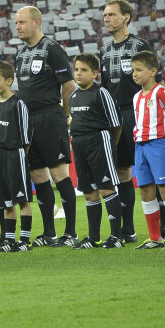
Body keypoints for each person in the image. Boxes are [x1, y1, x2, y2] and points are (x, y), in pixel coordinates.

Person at [14, 5, 78, 247]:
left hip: (50, 118)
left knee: (59, 174)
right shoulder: (20, 54)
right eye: (16, 23)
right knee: (38, 176)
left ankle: (70, 232)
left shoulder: (52, 49)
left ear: (36, 22)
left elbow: (68, 86)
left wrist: (64, 116)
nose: (17, 26)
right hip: (28, 122)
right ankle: (49, 233)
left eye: (21, 22)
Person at [100, 0, 153, 242]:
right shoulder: (104, 50)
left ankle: (162, 229)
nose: (107, 19)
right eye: (105, 16)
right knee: (122, 171)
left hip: (138, 112)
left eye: (111, 14)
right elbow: (104, 88)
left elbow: (153, 82)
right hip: (114, 117)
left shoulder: (140, 45)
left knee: (150, 171)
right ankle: (128, 230)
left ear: (126, 17)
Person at [130, 51, 165, 249]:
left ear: (153, 71)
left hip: (159, 145)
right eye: (133, 70)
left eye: (139, 70)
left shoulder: (162, 93)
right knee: (145, 190)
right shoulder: (136, 96)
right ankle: (155, 238)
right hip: (140, 146)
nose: (135, 74)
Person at [68, 53, 124, 249]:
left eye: (84, 70)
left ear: (95, 73)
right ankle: (94, 238)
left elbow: (116, 124)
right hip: (79, 145)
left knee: (107, 188)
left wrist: (110, 145)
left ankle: (116, 237)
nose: (79, 74)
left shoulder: (101, 93)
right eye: (76, 69)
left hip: (99, 142)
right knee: (89, 192)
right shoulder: (73, 95)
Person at [0, 61, 34, 252]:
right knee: (5, 200)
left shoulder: (18, 104)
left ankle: (24, 240)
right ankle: (8, 239)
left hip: (15, 154)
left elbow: (26, 136)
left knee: (22, 199)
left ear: (9, 81)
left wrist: (21, 156)